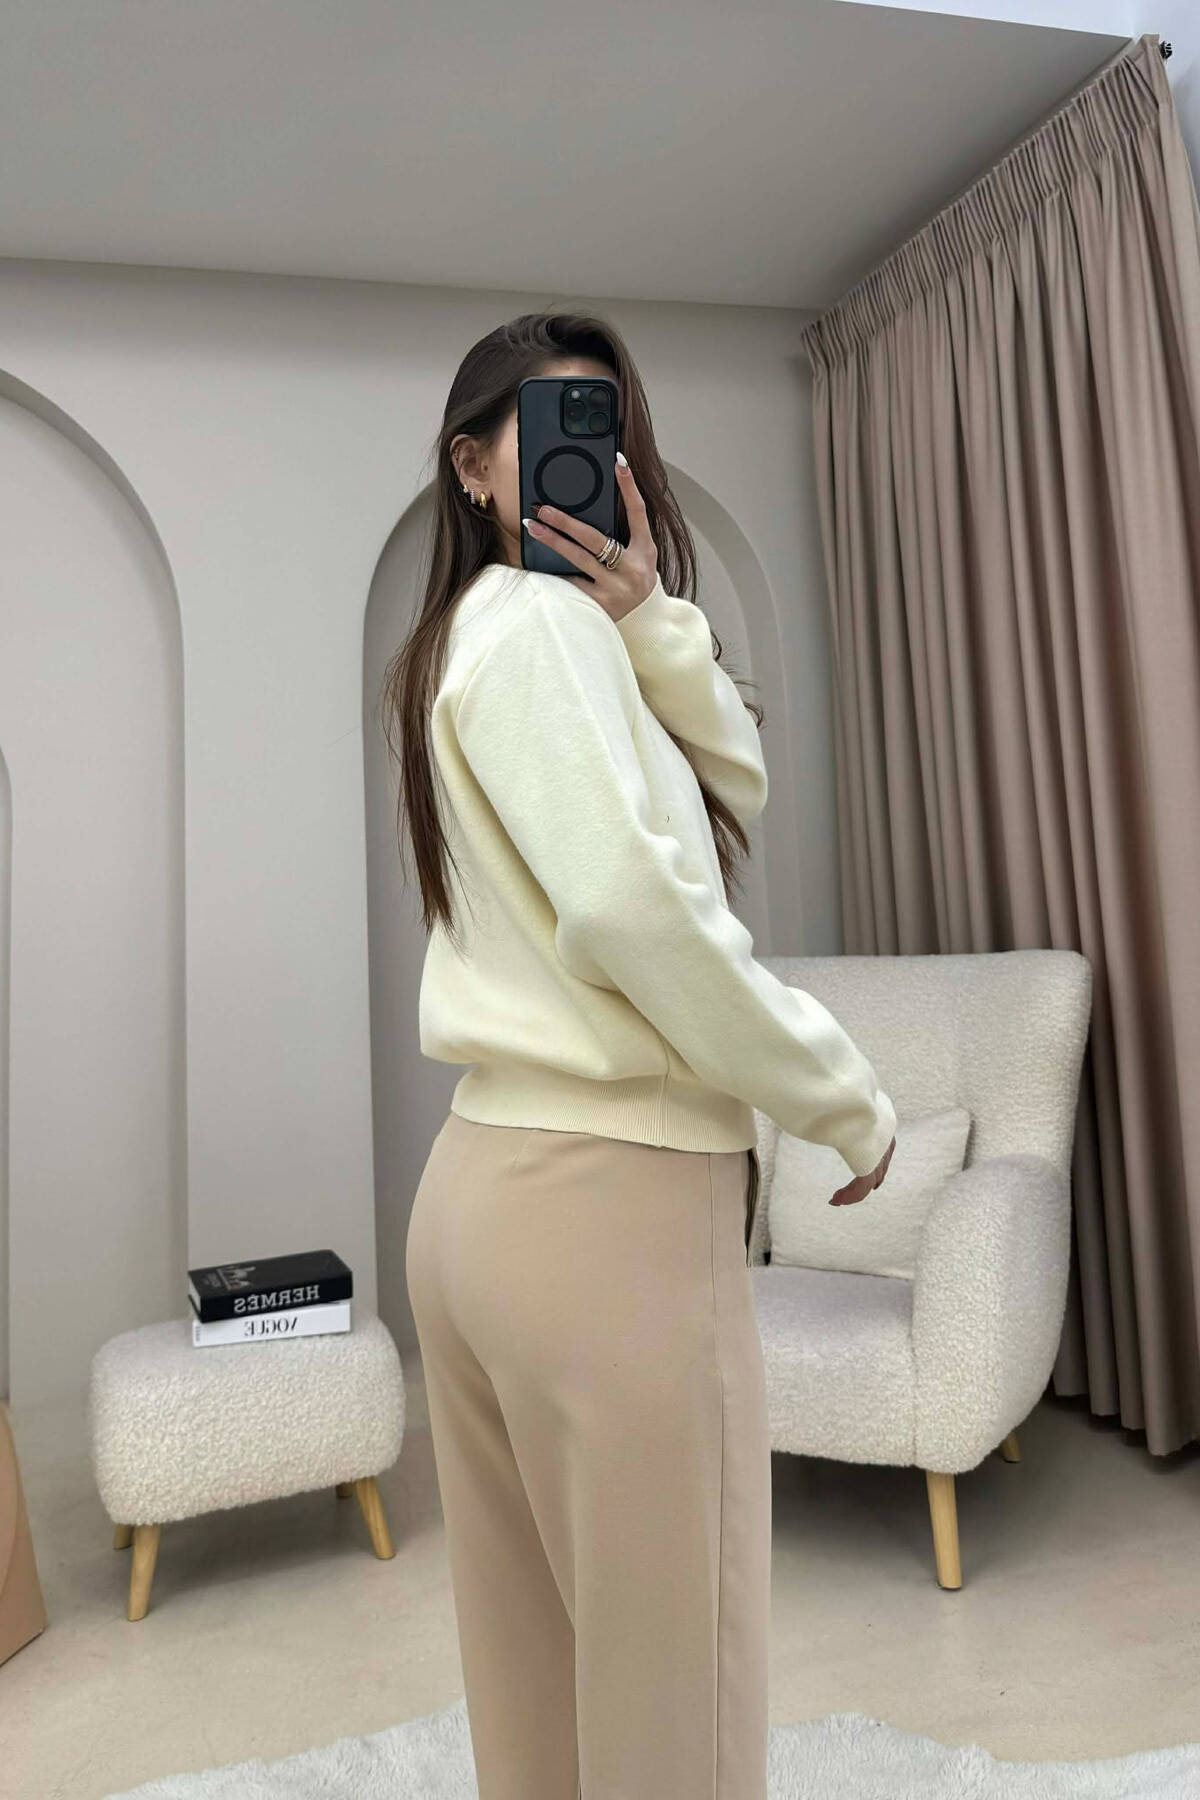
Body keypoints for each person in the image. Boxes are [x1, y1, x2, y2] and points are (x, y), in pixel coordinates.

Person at [383, 309, 896, 1800]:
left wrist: (652, 615)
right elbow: (635, 910)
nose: (589, 457)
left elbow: (732, 783)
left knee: (535, 1677)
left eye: (608, 430)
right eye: (554, 424)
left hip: (481, 1200)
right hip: (609, 1214)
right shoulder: (539, 635)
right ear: (473, 465)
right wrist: (841, 1096)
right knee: (677, 1701)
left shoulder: (482, 640)